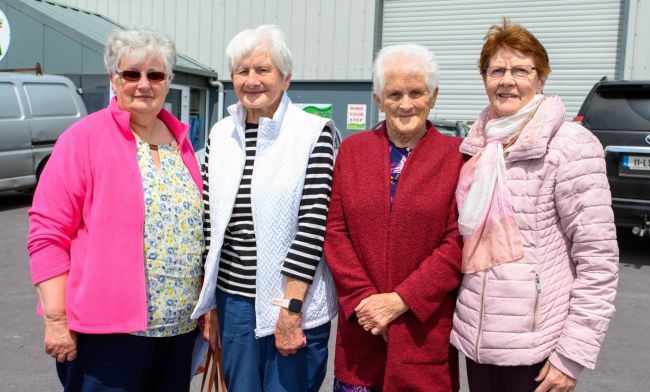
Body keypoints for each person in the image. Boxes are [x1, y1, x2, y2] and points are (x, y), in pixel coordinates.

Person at [27, 28, 203, 391]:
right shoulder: (83, 139)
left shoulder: (181, 146)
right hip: (107, 336)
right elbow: (47, 233)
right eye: (131, 74)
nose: (143, 84)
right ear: (114, 78)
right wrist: (56, 320)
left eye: (155, 75)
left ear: (168, 82)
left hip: (178, 333)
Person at [450, 18, 619, 392]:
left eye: (520, 70)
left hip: (538, 350)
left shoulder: (570, 145)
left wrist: (570, 356)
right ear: (484, 79)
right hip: (478, 345)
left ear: (541, 79)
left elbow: (598, 260)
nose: (507, 80)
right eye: (497, 70)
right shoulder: (477, 148)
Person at [191, 25, 338, 391]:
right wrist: (208, 301)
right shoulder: (220, 135)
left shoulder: (313, 132)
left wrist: (291, 308)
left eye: (263, 70)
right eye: (242, 71)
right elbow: (210, 224)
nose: (252, 80)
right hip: (233, 302)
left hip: (291, 300)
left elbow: (313, 223)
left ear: (286, 78)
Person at [324, 43, 465, 391]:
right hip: (362, 331)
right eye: (394, 94)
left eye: (416, 93)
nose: (405, 104)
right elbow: (335, 232)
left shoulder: (457, 158)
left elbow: (458, 241)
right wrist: (367, 303)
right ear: (378, 99)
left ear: (433, 97)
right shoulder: (352, 152)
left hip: (423, 334)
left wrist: (400, 301)